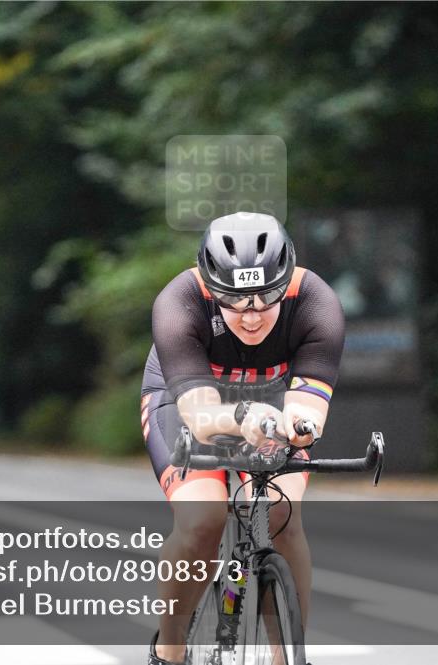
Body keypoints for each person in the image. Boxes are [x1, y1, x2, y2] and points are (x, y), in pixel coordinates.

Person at [141, 212, 345, 664]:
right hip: (188, 401)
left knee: (280, 515)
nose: (251, 315)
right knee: (202, 522)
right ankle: (169, 651)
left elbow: (309, 408)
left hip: (274, 403)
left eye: (266, 298)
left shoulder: (315, 301)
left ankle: (288, 656)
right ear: (211, 288)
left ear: (287, 283)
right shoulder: (180, 301)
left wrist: (297, 425)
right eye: (234, 301)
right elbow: (199, 416)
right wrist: (243, 414)